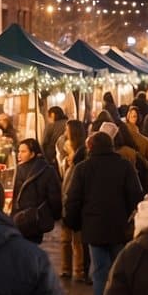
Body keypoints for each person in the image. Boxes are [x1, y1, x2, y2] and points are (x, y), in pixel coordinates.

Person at [64, 131, 145, 295]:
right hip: (119, 225)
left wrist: (73, 223)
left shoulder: (83, 168)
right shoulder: (124, 166)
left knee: (99, 270)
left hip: (94, 227)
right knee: (118, 269)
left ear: (90, 147)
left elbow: (73, 199)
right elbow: (136, 195)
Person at [9, 138, 62, 245]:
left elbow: (54, 196)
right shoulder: (48, 170)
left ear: (32, 154)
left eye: (23, 151)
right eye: (19, 151)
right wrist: (55, 215)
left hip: (20, 218)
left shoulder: (18, 170)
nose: (19, 155)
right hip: (37, 219)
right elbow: (55, 198)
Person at [57, 120, 90, 282]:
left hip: (77, 199)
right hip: (66, 195)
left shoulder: (83, 152)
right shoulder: (66, 147)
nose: (65, 131)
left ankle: (79, 270)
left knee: (77, 239)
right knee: (64, 238)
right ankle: (66, 269)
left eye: (67, 129)